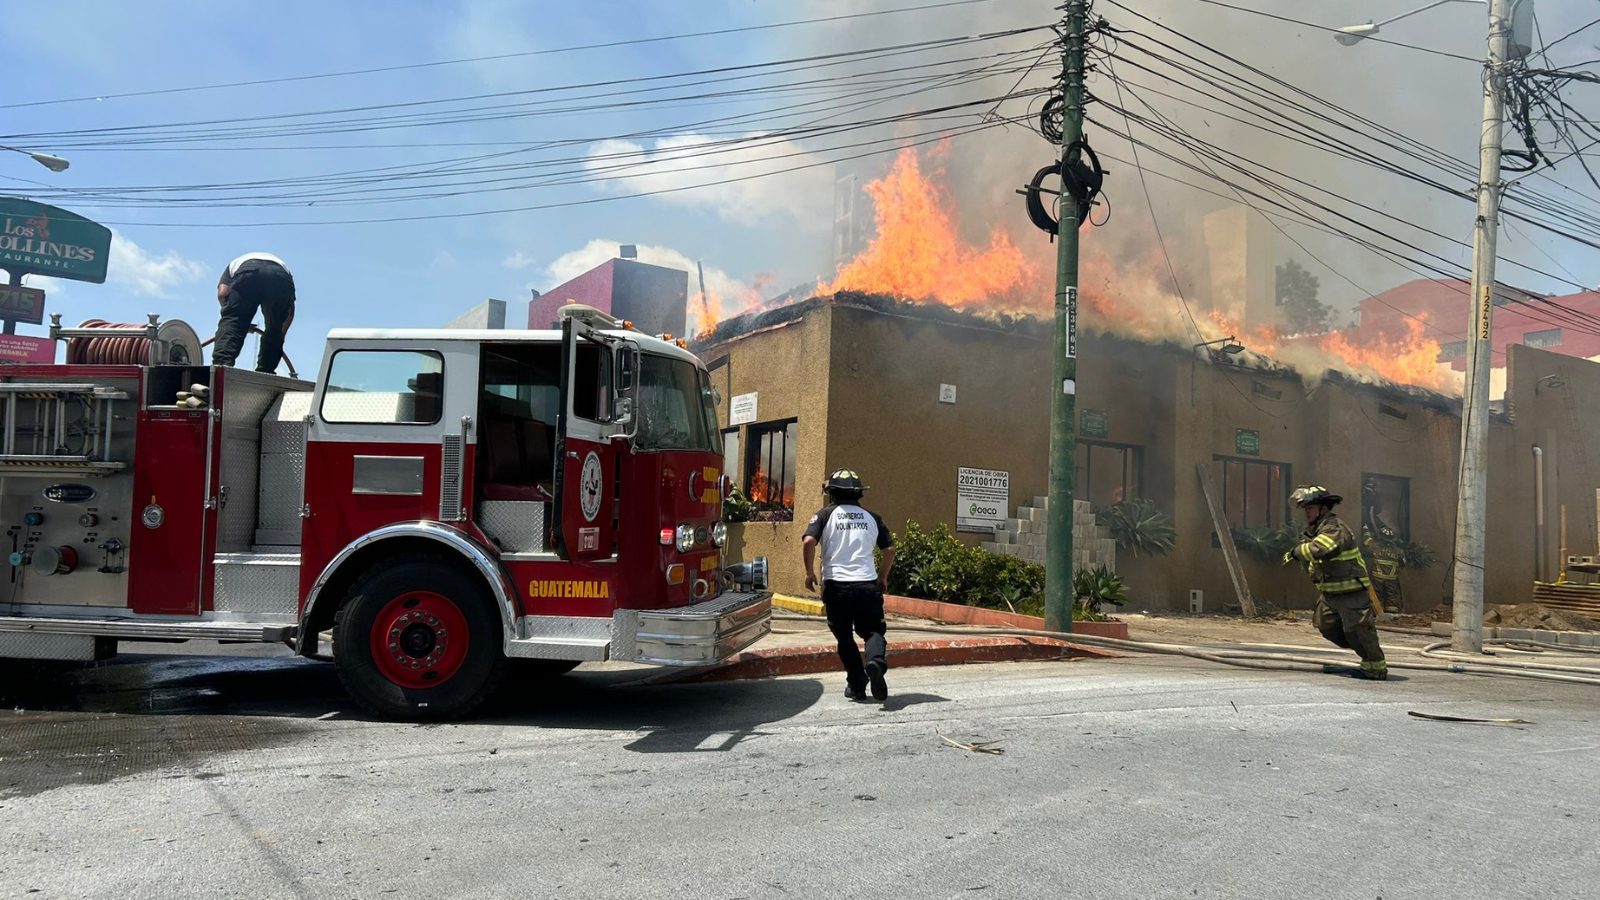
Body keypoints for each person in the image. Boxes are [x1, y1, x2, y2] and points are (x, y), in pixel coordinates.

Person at [803, 469, 895, 702]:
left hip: (837, 587)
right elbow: (889, 550)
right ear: (858, 494)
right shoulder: (873, 518)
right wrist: (883, 577)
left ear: (832, 494)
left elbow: (809, 541)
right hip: (866, 585)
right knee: (873, 631)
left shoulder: (824, 515)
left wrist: (810, 572)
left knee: (844, 638)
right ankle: (875, 662)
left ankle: (857, 685)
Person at [1284, 485, 1388, 680]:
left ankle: (1375, 667)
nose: (1306, 512)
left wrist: (1296, 552)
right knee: (1325, 625)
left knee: (1358, 629)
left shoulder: (1335, 527)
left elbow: (1323, 549)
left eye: (1310, 508)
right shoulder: (1315, 530)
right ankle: (1359, 647)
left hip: (1351, 592)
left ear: (1324, 508)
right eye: (1305, 509)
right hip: (1330, 594)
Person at [214, 252, 295, 373]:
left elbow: (222, 293)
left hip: (248, 271)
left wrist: (235, 321)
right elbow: (288, 313)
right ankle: (265, 371)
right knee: (275, 331)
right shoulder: (284, 268)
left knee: (232, 321)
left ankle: (221, 366)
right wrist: (279, 333)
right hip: (280, 277)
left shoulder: (234, 264)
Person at [1360, 481, 1405, 614]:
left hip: (1377, 578)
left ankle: (1377, 614)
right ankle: (1392, 617)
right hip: (1391, 579)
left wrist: (1364, 528)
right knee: (1392, 599)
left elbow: (1367, 540)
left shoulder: (1376, 547)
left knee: (1377, 597)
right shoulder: (1398, 551)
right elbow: (1402, 563)